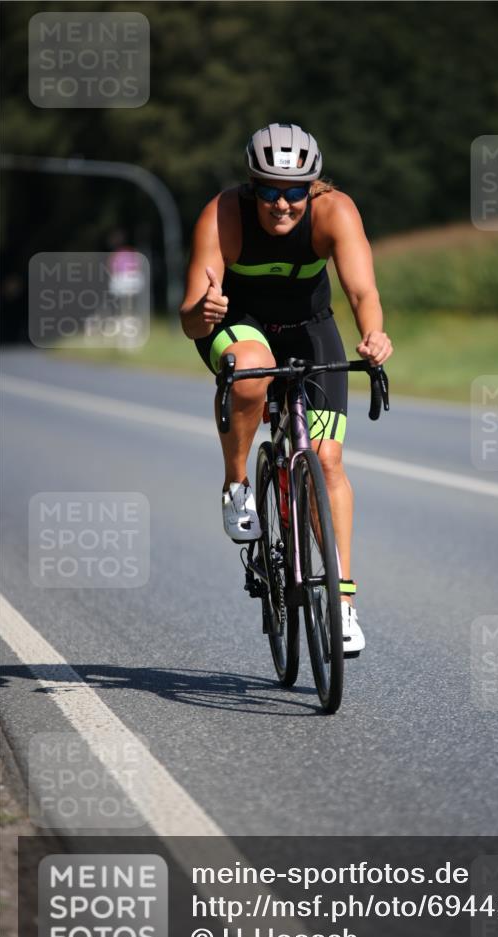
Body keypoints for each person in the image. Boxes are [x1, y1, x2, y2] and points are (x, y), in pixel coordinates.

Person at [180, 123, 392, 654]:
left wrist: (373, 335)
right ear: (252, 187)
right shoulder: (223, 214)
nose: (281, 204)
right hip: (239, 325)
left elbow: (362, 289)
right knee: (253, 367)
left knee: (327, 459)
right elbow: (189, 319)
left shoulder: (335, 211)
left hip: (309, 327)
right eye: (269, 190)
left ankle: (341, 603)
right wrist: (202, 313)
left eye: (294, 191)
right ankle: (237, 487)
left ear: (312, 189)